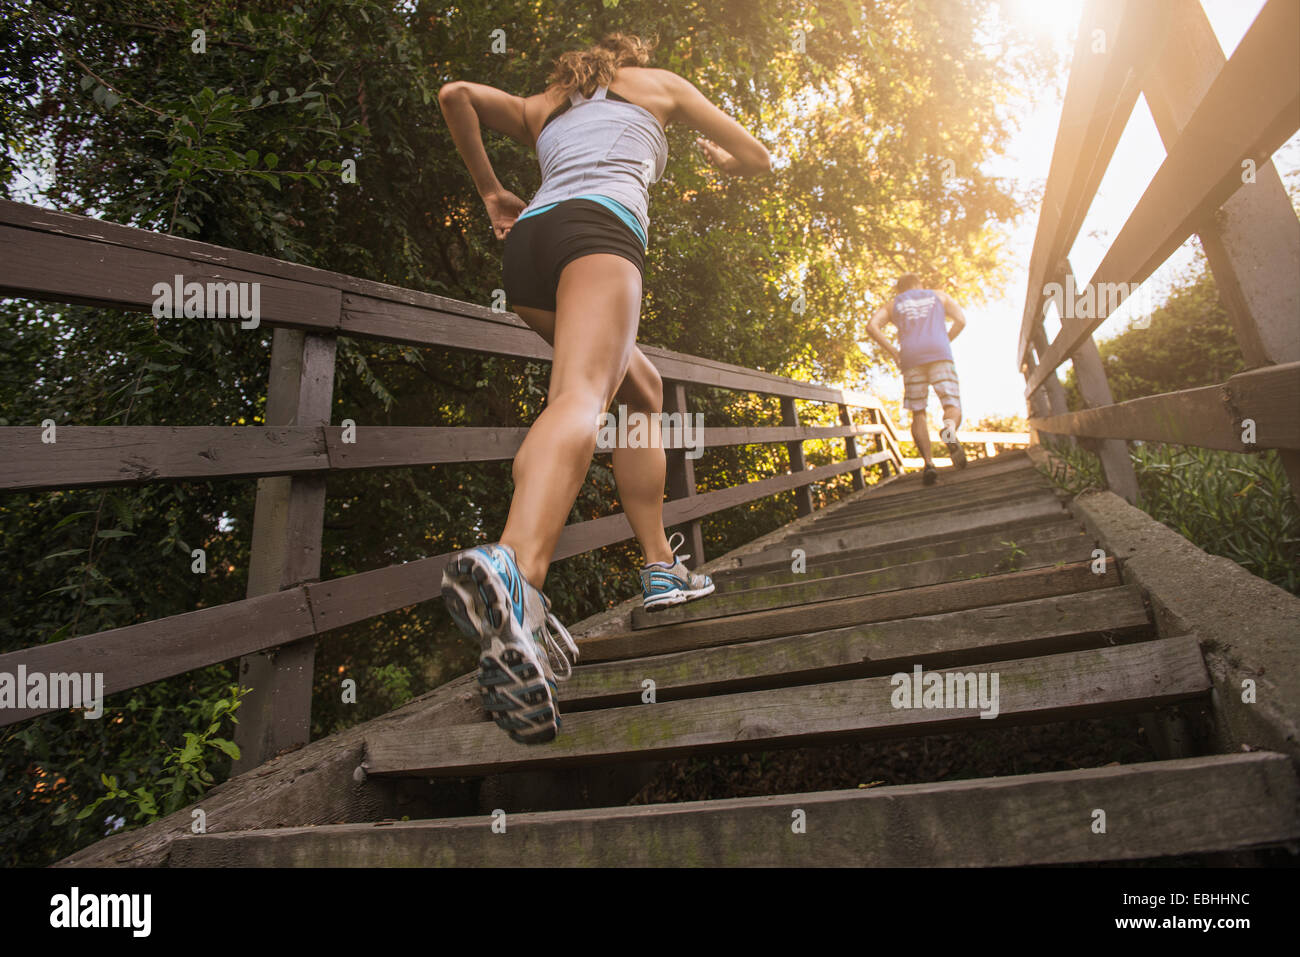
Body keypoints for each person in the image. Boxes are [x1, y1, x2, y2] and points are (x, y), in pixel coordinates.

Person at [436, 33, 771, 744]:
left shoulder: (541, 104)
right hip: (599, 230)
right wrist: (718, 160)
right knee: (582, 396)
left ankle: (658, 567)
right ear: (631, 60)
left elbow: (454, 96)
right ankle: (516, 570)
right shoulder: (661, 87)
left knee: (638, 390)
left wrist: (494, 192)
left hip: (529, 247)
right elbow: (759, 158)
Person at [867, 273, 968, 486]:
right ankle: (949, 430)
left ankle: (929, 464)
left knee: (918, 411)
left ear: (899, 289)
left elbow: (872, 326)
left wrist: (894, 351)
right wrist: (945, 340)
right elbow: (961, 320)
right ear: (919, 284)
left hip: (911, 357)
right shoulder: (939, 296)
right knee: (951, 402)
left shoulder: (893, 304)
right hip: (939, 353)